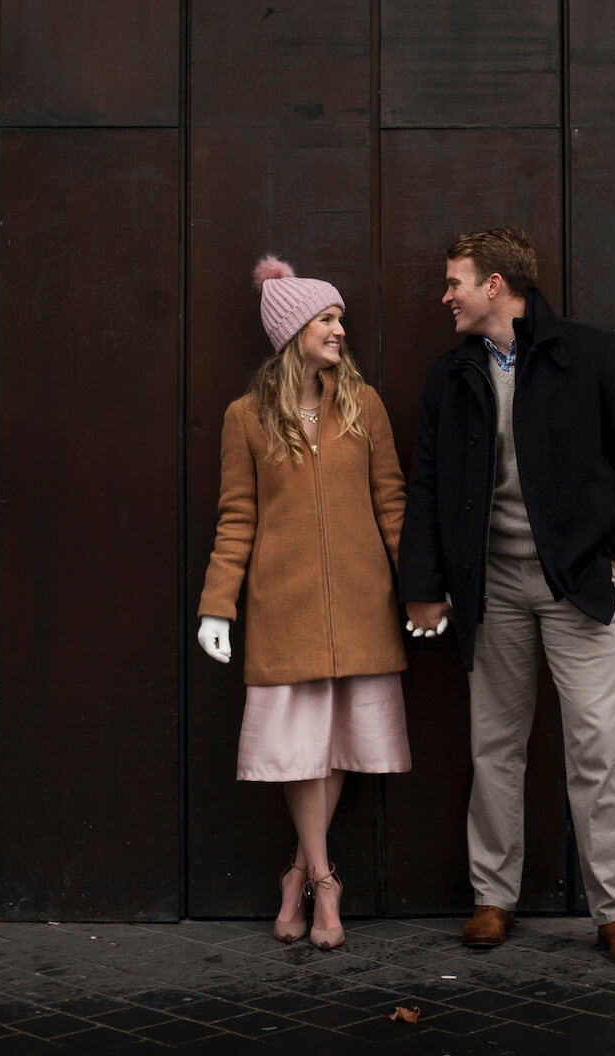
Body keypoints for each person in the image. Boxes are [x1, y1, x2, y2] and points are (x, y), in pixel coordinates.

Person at [398, 227, 615, 966]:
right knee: (495, 748)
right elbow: (426, 485)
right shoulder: (451, 375)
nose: (445, 294)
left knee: (598, 749)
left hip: (578, 585)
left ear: (496, 285)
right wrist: (423, 586)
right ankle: (493, 899)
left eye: (455, 281)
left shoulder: (591, 354)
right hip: (492, 591)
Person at [197, 256, 409, 951]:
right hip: (284, 609)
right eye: (328, 319)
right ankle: (325, 880)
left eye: (340, 318)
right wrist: (216, 606)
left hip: (360, 604)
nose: (341, 330)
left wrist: (419, 587)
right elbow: (236, 518)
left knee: (339, 741)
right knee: (298, 751)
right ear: (294, 332)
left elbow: (392, 504)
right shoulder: (246, 418)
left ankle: (300, 872)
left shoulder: (363, 404)